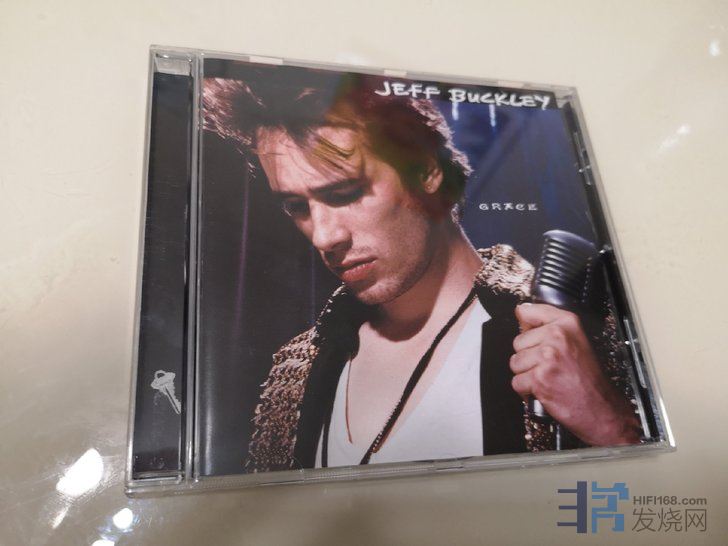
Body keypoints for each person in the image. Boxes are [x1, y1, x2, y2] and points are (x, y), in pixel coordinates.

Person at [203, 69, 642, 473]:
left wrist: (612, 427)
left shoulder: (572, 331)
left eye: (344, 193)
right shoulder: (296, 368)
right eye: (297, 206)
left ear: (427, 170)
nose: (323, 236)